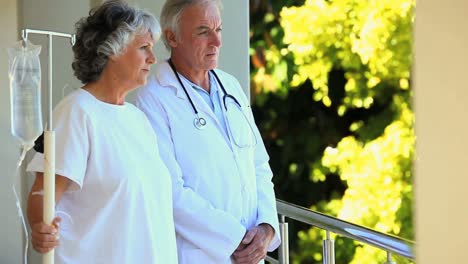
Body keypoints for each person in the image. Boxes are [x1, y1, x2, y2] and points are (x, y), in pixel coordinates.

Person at [26, 1, 178, 263]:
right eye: (144, 48)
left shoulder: (137, 119)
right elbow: (43, 193)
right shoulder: (77, 112)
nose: (153, 59)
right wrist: (42, 228)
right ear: (112, 50)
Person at [134, 0, 280, 263]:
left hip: (252, 251)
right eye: (203, 31)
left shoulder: (231, 87)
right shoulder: (153, 99)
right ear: (172, 37)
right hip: (201, 255)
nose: (217, 42)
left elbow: (258, 164)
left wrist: (267, 227)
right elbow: (169, 190)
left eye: (219, 30)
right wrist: (235, 238)